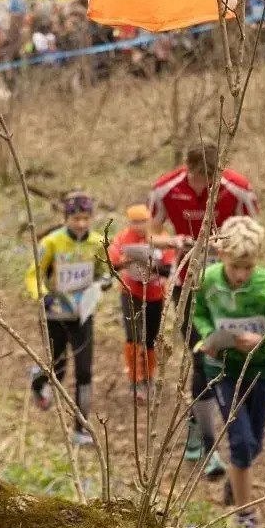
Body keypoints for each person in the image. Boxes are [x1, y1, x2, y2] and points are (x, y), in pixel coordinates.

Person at [150, 142, 259, 476]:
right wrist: (176, 242)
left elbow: (253, 236)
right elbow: (151, 234)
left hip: (228, 285)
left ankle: (220, 429)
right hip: (188, 283)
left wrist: (222, 243)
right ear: (187, 169)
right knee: (202, 357)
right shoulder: (165, 187)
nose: (204, 185)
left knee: (225, 359)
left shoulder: (238, 189)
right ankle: (205, 442)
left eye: (211, 178)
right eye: (199, 178)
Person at [191, 216, 265, 528]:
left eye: (247, 267)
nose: (240, 275)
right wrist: (209, 335)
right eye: (234, 267)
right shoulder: (209, 280)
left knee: (253, 444)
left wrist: (264, 340)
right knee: (240, 441)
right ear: (221, 255)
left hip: (260, 371)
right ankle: (244, 514)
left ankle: (236, 479)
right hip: (222, 370)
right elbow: (198, 313)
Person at [27, 191, 113, 446]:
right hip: (55, 314)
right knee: (58, 366)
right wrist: (42, 295)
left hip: (83, 314)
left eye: (86, 218)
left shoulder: (98, 242)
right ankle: (38, 380)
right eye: (76, 218)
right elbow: (32, 274)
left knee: (84, 372)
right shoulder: (51, 242)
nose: (81, 224)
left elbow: (105, 271)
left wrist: (104, 282)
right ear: (66, 218)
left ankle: (80, 429)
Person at [108, 203, 175, 403]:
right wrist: (126, 261)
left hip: (155, 294)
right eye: (135, 222)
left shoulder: (161, 236)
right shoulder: (122, 238)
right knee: (133, 336)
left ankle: (148, 377)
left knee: (150, 338)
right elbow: (112, 265)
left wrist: (149, 264)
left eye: (143, 221)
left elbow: (169, 269)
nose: (139, 226)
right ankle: (135, 379)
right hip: (130, 292)